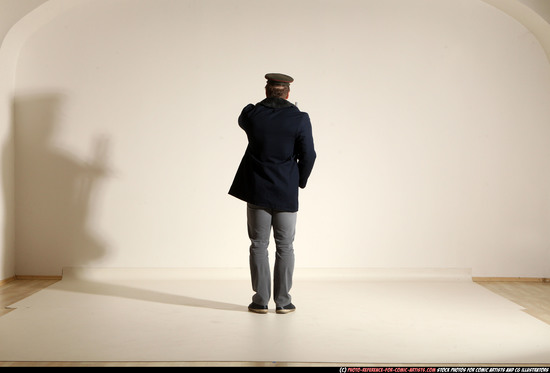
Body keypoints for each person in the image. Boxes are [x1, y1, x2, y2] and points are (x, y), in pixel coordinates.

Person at [229, 73, 316, 314]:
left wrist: (267, 105)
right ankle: (283, 301)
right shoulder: (299, 119)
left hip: (257, 189)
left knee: (258, 244)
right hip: (286, 189)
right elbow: (309, 155)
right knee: (285, 246)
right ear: (288, 93)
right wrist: (300, 180)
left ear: (267, 91)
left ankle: (260, 300)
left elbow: (246, 115)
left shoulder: (252, 115)